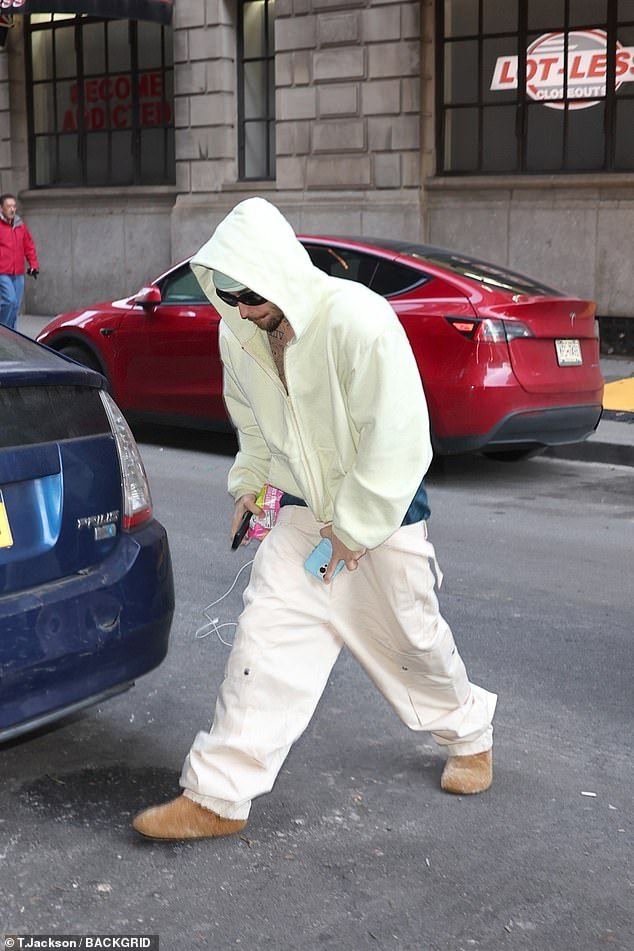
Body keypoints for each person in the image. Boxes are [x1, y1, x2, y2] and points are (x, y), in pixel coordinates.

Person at [133, 198, 497, 841]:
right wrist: (249, 488)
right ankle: (218, 796)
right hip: (302, 510)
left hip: (381, 513)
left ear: (280, 271)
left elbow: (400, 438)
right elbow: (253, 427)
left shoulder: (358, 319)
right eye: (228, 295)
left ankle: (469, 732)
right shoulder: (238, 334)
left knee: (411, 639)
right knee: (264, 638)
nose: (241, 309)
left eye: (250, 294)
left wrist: (352, 531)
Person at [0, 193, 39, 331]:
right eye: (8, 206)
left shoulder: (20, 225)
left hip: (18, 272)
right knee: (9, 301)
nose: (12, 209)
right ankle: (3, 331)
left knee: (15, 306)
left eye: (14, 206)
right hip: (2, 272)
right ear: (1, 208)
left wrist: (33, 265)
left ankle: (10, 335)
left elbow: (28, 245)